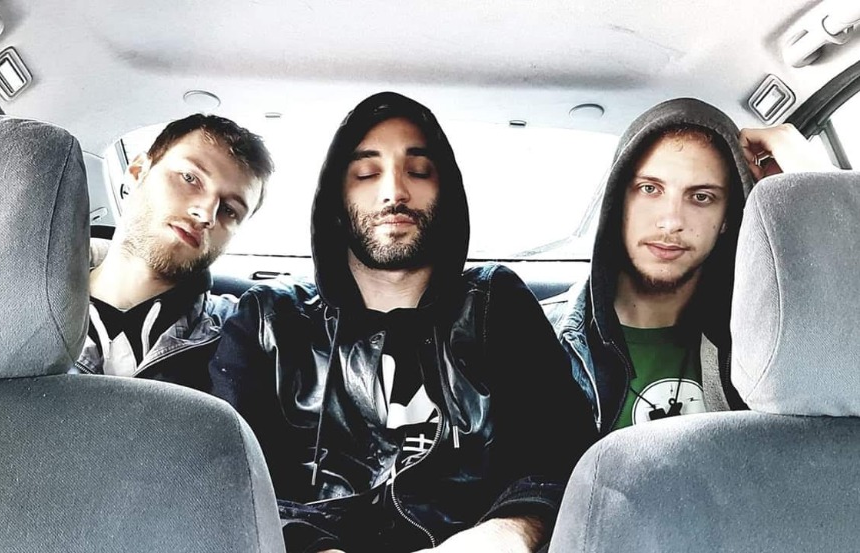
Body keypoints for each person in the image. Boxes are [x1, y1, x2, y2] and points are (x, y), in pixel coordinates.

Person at [209, 91, 598, 553]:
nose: (394, 192)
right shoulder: (269, 319)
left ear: (446, 192)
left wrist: (508, 533)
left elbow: (563, 456)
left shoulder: (496, 305)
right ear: (336, 197)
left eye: (418, 171)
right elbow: (228, 478)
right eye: (367, 173)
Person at [542, 98, 835, 436]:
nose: (671, 222)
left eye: (701, 197)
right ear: (618, 201)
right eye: (649, 189)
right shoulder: (539, 339)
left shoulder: (774, 341)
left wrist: (818, 184)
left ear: (726, 219)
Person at [74, 113, 274, 390]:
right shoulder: (19, 310)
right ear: (137, 172)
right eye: (190, 178)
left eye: (229, 210)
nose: (206, 214)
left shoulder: (247, 339)